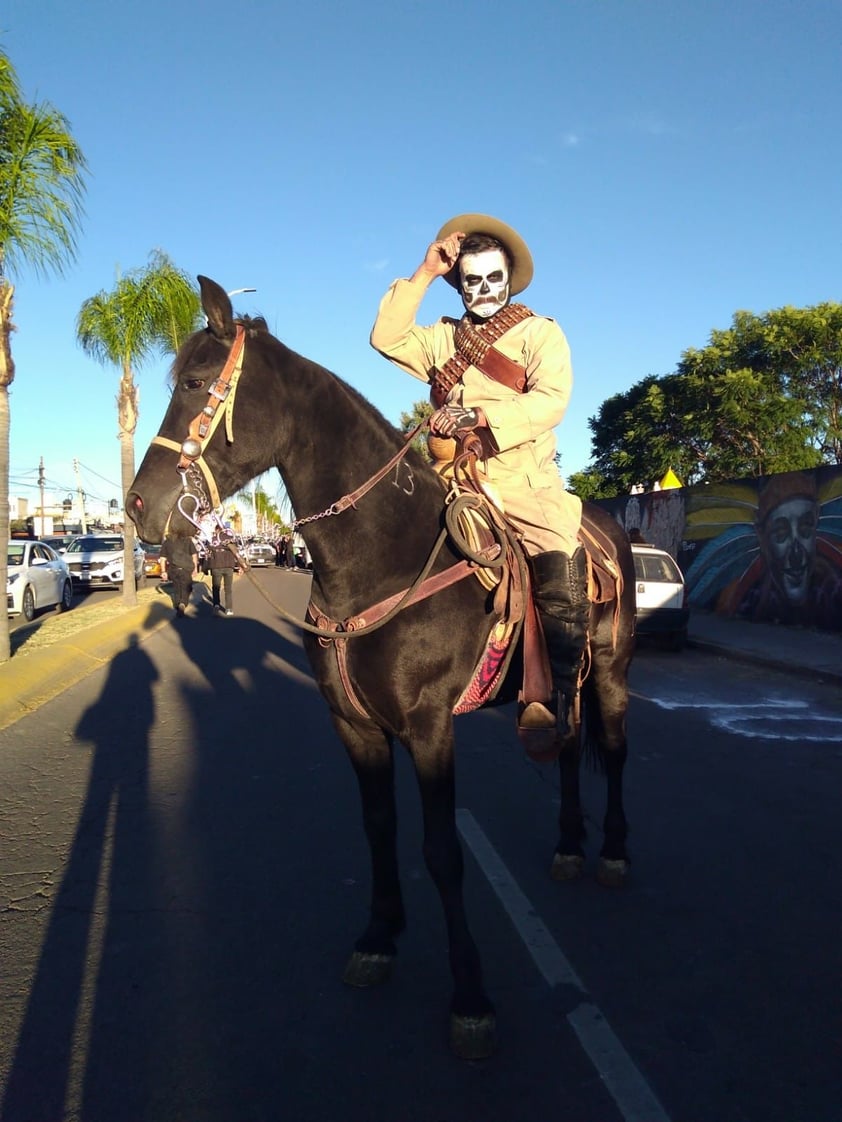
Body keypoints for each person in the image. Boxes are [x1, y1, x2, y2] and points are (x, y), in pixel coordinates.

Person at [370, 212, 588, 741]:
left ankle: (560, 693)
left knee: (558, 560)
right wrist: (424, 272)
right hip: (449, 479)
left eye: (493, 278)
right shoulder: (441, 341)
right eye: (472, 280)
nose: (484, 289)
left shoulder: (541, 333)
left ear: (508, 279)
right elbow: (385, 336)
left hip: (520, 482)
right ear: (460, 284)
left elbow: (552, 401)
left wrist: (482, 418)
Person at [159, 534, 198, 618]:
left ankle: (178, 605)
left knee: (177, 588)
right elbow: (194, 555)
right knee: (186, 587)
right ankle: (183, 603)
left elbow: (163, 558)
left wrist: (163, 571)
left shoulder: (167, 542)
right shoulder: (187, 540)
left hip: (173, 569)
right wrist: (195, 568)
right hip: (186, 569)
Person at [207, 540, 238, 616]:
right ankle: (229, 609)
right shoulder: (231, 541)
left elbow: (208, 552)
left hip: (216, 566)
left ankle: (216, 604)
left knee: (216, 588)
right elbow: (236, 553)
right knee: (228, 589)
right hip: (229, 566)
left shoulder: (212, 540)